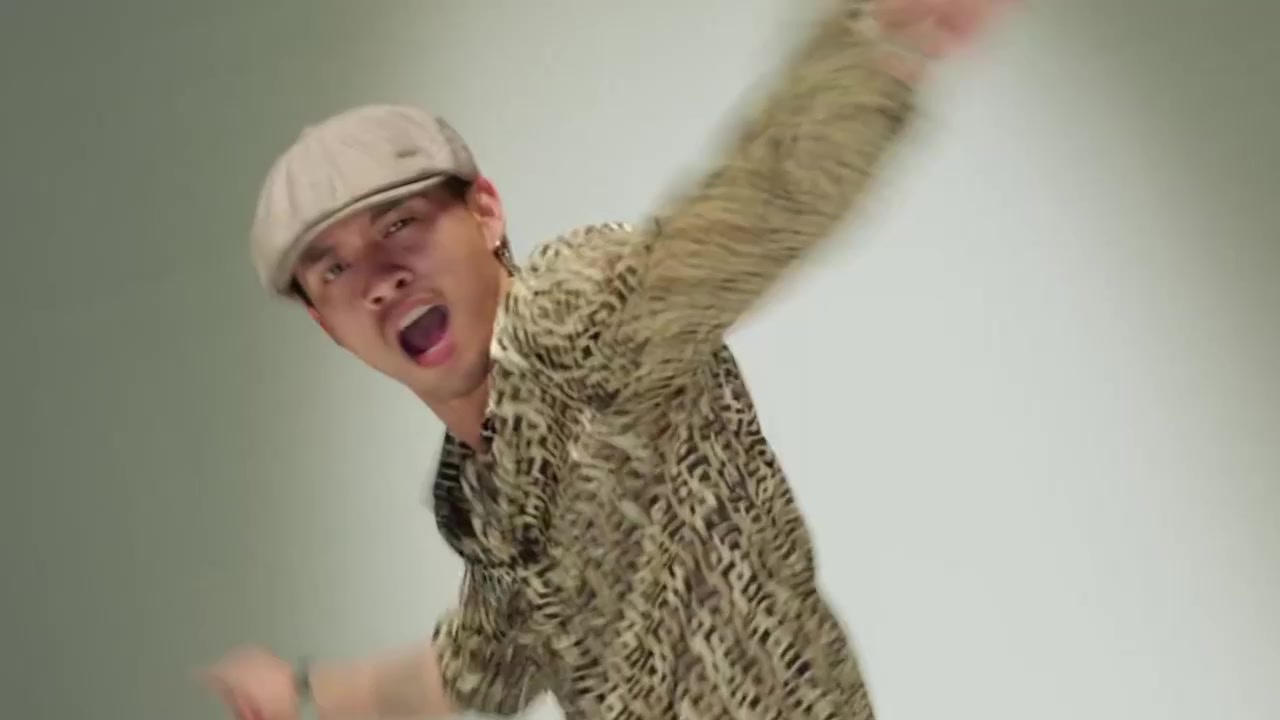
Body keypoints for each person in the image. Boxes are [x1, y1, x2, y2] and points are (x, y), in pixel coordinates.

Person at [204, 0, 1013, 718]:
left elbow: (753, 211)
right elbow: (475, 671)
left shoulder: (577, 321)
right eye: (335, 269)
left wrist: (879, 45)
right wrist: (306, 694)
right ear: (328, 325)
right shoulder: (485, 496)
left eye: (400, 224)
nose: (381, 280)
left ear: (485, 213)